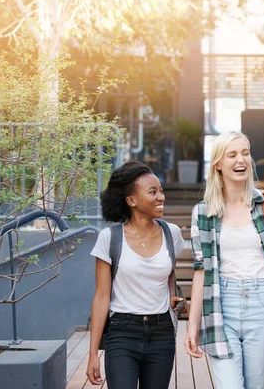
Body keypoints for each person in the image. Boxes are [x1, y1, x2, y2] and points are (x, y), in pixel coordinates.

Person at [184, 131, 264, 389]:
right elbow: (201, 270)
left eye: (245, 153)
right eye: (232, 154)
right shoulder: (203, 212)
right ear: (217, 164)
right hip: (221, 304)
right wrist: (193, 325)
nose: (241, 160)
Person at [87, 161, 185, 389]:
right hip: (122, 332)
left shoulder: (172, 233)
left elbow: (169, 272)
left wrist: (173, 296)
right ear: (131, 200)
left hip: (162, 334)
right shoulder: (109, 238)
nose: (161, 197)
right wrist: (93, 353)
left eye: (161, 191)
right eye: (153, 192)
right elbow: (101, 297)